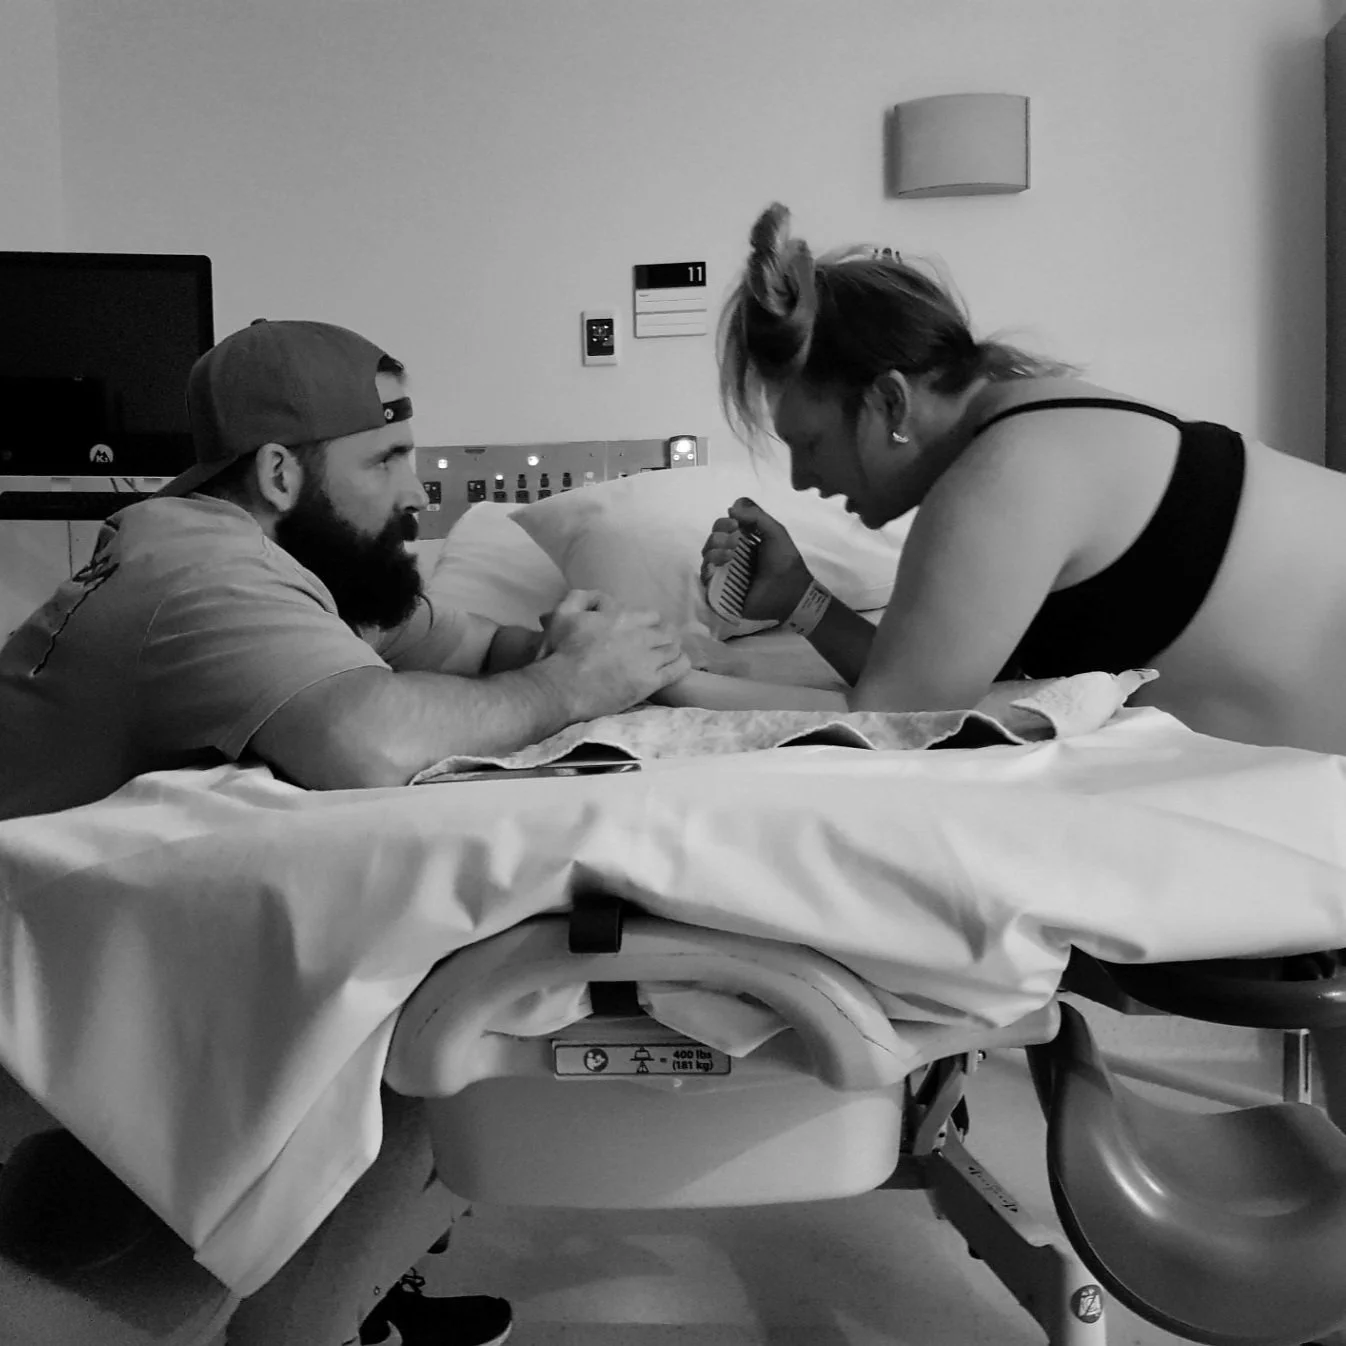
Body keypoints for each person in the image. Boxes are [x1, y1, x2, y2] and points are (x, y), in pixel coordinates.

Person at [0, 318, 691, 1346]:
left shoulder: (308, 570)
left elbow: (471, 651)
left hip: (109, 965)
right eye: (387, 459)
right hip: (40, 1010)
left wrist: (572, 648)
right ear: (281, 472)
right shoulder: (201, 571)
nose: (416, 491)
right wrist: (569, 685)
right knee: (436, 1030)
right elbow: (365, 741)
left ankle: (354, 1296)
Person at [697, 201, 1346, 757]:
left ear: (890, 402)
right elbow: (932, 686)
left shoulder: (1003, 475)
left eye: (811, 442)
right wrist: (801, 599)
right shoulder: (1033, 426)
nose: (802, 477)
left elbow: (893, 726)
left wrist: (667, 680)